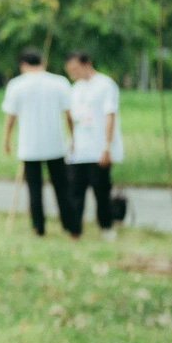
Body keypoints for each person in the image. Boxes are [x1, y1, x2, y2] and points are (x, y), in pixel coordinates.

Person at [1, 47, 72, 236]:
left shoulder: (16, 85)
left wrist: (6, 139)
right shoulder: (59, 82)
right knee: (62, 188)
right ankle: (70, 225)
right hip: (55, 144)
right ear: (42, 61)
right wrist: (72, 137)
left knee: (34, 189)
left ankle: (38, 228)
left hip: (29, 146)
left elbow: (10, 117)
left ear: (23, 64)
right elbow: (68, 114)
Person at [64, 49, 123, 238]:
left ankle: (106, 226)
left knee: (101, 190)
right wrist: (71, 140)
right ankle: (75, 229)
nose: (73, 74)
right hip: (79, 149)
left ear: (86, 64)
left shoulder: (105, 85)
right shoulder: (75, 89)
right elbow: (72, 118)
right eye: (69, 70)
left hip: (98, 148)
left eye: (75, 68)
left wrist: (106, 147)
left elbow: (109, 116)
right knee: (75, 191)